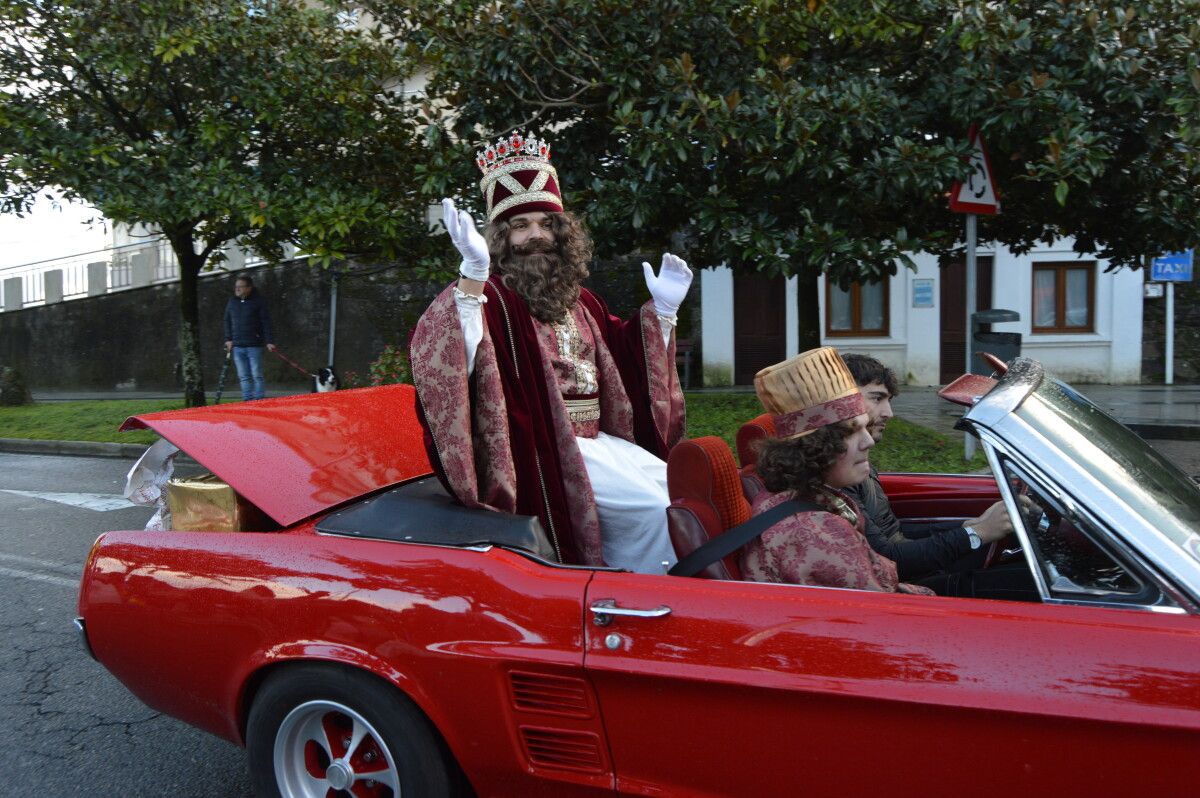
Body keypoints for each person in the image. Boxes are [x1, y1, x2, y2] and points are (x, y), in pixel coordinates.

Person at [409, 131, 689, 572]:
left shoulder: (582, 300)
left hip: (605, 443)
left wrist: (662, 314)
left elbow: (627, 356)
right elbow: (445, 354)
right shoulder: (493, 298)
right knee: (655, 512)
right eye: (520, 226)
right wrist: (471, 277)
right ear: (501, 237)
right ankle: (647, 606)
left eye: (545, 223)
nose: (536, 236)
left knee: (684, 496)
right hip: (547, 451)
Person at [840, 353, 1038, 600]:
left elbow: (895, 534)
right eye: (877, 398)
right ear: (842, 402)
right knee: (1031, 584)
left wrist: (970, 526)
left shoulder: (856, 461)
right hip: (901, 593)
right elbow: (886, 558)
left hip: (909, 576)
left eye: (888, 400)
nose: (889, 413)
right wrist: (977, 533)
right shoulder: (836, 475)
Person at [739, 347, 934, 595]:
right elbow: (884, 616)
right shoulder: (816, 532)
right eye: (851, 432)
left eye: (865, 428)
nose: (869, 442)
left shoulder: (815, 498)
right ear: (817, 447)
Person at [223, 273, 276, 402]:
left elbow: (265, 322)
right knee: (243, 376)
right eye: (236, 287)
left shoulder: (258, 302)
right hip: (237, 346)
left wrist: (269, 341)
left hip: (254, 345)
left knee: (256, 375)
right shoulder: (232, 302)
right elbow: (227, 321)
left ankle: (259, 400)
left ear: (249, 288)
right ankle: (247, 400)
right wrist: (228, 339)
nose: (237, 289)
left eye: (240, 287)